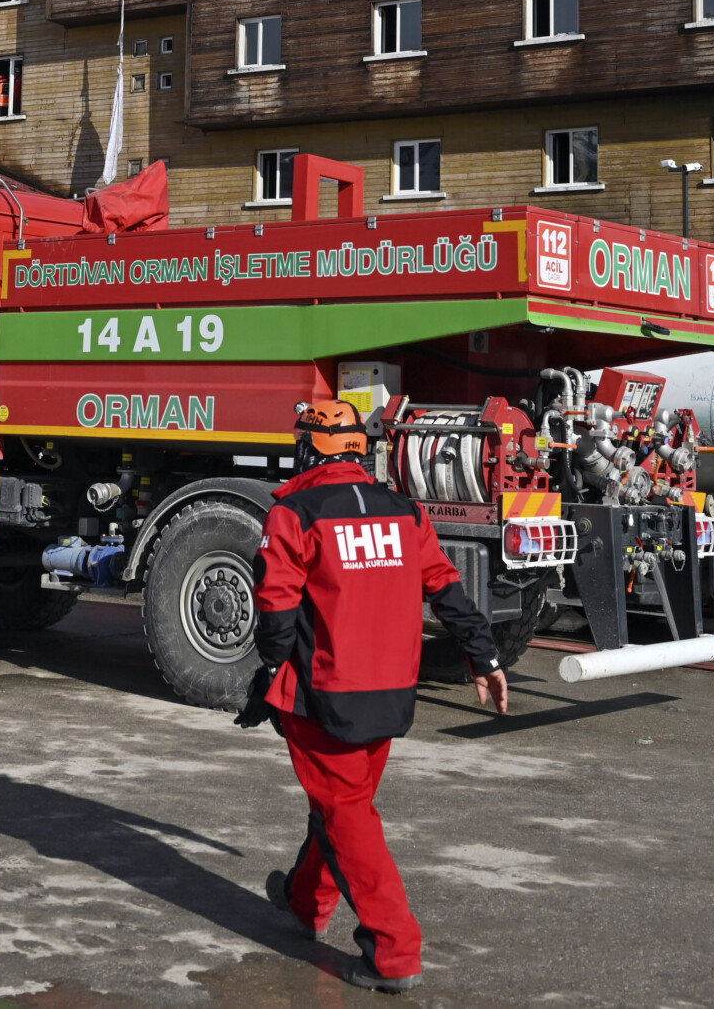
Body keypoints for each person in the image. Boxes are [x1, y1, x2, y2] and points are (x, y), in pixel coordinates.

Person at [237, 398, 509, 994]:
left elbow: (277, 608)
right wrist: (483, 657)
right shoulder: (404, 511)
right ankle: (305, 903)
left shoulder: (294, 511)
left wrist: (267, 676)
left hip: (324, 696)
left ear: (308, 448)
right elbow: (446, 586)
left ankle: (393, 951)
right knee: (343, 806)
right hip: (390, 694)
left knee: (346, 816)